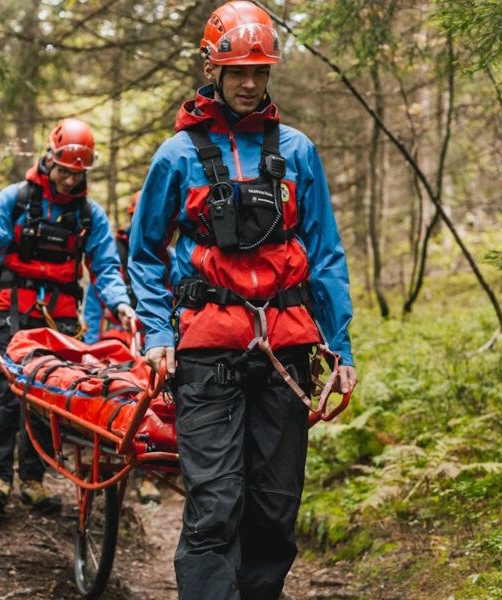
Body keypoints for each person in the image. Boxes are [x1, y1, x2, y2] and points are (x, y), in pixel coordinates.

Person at [127, 2, 358, 597]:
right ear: (213, 69)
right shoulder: (177, 156)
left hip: (288, 355)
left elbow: (326, 253)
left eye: (260, 71)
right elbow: (146, 254)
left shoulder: (299, 153)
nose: (250, 83)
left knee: (276, 514)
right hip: (207, 358)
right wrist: (157, 335)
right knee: (215, 510)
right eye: (238, 71)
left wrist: (342, 346)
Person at [0, 117, 135, 514]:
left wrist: (121, 304)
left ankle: (32, 480)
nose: (69, 180)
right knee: (7, 391)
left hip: (56, 319)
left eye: (78, 173)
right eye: (63, 170)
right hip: (10, 311)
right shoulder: (15, 200)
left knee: (49, 394)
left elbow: (106, 268)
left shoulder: (90, 216)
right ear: (49, 158)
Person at [83, 190, 179, 504]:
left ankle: (150, 472)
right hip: (114, 344)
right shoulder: (117, 252)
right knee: (121, 401)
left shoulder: (173, 258)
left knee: (152, 404)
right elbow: (97, 299)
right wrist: (92, 347)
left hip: (154, 345)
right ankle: (116, 469)